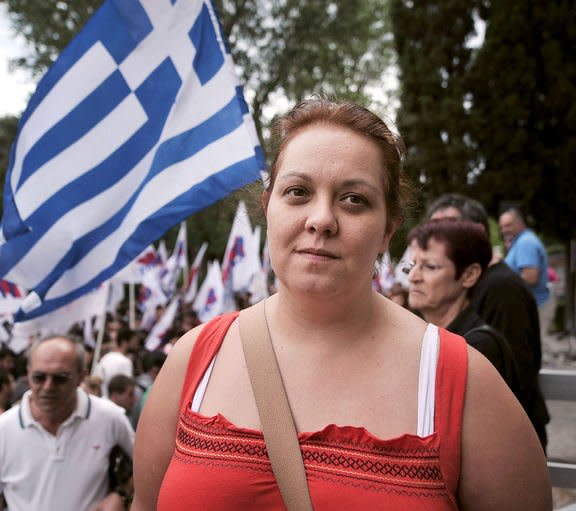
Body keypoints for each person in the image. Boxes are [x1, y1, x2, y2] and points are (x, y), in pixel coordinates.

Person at [132, 99, 551, 510]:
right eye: (297, 192)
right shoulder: (193, 358)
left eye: (354, 199)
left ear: (388, 230)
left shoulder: (463, 380)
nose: (321, 219)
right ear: (268, 208)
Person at [426, 194, 549, 447]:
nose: (437, 238)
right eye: (432, 228)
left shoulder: (502, 288)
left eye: (448, 226)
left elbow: (514, 375)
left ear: (478, 233)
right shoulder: (468, 284)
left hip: (510, 443)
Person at [0, 336, 135, 511]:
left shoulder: (110, 418)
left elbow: (148, 468)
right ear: (28, 373)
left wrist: (121, 495)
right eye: (39, 377)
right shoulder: (0, 431)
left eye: (60, 378)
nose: (48, 387)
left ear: (82, 375)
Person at [406, 220, 522, 397]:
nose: (413, 277)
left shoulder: (478, 347)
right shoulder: (418, 334)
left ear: (469, 275)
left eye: (430, 267)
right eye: (412, 265)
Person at [499, 207, 554, 338]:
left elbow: (530, 277)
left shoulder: (525, 243)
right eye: (501, 227)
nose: (504, 230)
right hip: (531, 307)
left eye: (508, 225)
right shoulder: (520, 241)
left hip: (535, 308)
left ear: (520, 223)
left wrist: (500, 285)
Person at [93, 329, 135, 397]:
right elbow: (128, 389)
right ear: (125, 342)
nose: (136, 344)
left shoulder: (106, 357)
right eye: (134, 341)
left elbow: (96, 382)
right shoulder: (126, 362)